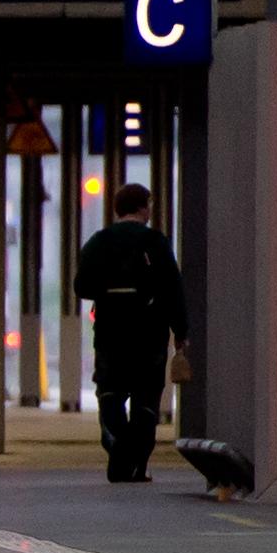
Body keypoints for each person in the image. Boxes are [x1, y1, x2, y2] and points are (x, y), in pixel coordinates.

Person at [70, 182, 188, 483]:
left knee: (110, 393)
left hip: (110, 334)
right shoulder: (156, 243)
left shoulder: (99, 242)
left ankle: (118, 448)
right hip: (150, 335)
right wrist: (181, 332)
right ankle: (135, 461)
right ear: (143, 207)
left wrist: (110, 294)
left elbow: (81, 286)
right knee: (146, 398)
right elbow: (174, 290)